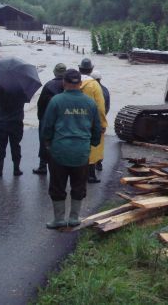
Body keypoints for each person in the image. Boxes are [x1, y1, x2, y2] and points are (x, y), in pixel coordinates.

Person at [42, 69, 101, 229]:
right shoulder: (90, 103)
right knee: (78, 185)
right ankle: (74, 218)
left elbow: (47, 127)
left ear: (64, 83)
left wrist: (47, 144)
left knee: (57, 186)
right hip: (81, 153)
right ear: (80, 84)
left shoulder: (56, 101)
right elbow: (97, 128)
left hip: (59, 151)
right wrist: (93, 143)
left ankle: (59, 220)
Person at [33, 63, 66, 175]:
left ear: (54, 72)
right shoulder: (68, 85)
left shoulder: (49, 85)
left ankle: (43, 166)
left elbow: (40, 103)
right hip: (63, 119)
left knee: (44, 142)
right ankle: (60, 167)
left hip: (47, 118)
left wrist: (40, 117)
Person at [78, 58, 107, 183]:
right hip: (91, 121)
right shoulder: (94, 85)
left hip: (76, 119)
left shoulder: (74, 81)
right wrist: (103, 123)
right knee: (93, 147)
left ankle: (78, 173)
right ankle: (90, 175)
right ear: (91, 69)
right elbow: (100, 106)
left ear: (79, 69)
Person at [0, 90, 26, 177]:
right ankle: (16, 169)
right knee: (16, 145)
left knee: (0, 146)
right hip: (16, 122)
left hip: (1, 121)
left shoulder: (0, 88)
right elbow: (26, 99)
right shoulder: (22, 89)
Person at [90, 70, 110, 171]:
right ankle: (99, 162)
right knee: (100, 143)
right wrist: (103, 119)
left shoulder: (90, 88)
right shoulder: (105, 90)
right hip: (101, 118)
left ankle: (92, 164)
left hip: (92, 120)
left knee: (92, 143)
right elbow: (106, 107)